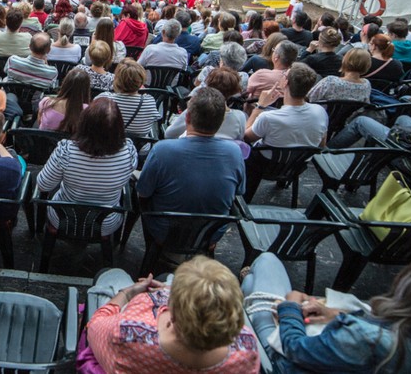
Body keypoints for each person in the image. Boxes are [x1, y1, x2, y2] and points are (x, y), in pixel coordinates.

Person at [241, 249, 411, 373]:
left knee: (266, 262)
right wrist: (340, 316)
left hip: (284, 363)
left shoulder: (368, 340)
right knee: (251, 283)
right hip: (333, 357)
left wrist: (291, 307)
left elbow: (295, 348)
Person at [85, 257, 259, 374]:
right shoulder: (247, 349)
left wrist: (127, 294)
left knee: (113, 276)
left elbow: (95, 325)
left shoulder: (130, 334)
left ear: (173, 314)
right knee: (168, 278)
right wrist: (172, 291)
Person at [138, 88, 245, 245]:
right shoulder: (235, 152)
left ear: (187, 117)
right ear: (221, 121)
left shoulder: (162, 149)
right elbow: (239, 191)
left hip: (164, 230)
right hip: (209, 234)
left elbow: (143, 192)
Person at [36, 98, 136, 236]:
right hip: (106, 223)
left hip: (63, 217)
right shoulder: (129, 151)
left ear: (84, 122)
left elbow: (43, 185)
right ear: (119, 126)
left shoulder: (66, 150)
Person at [244, 63, 328, 147]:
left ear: (285, 83)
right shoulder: (321, 112)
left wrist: (260, 107)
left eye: (284, 74)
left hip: (265, 159)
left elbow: (245, 137)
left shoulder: (268, 117)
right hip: (303, 159)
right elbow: (321, 145)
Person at [96, 59, 161, 137]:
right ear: (141, 81)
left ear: (117, 79)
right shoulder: (149, 102)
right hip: (140, 147)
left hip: (109, 146)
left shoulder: (104, 99)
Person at [307, 48, 373, 104]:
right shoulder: (366, 85)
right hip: (352, 118)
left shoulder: (330, 81)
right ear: (367, 65)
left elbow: (309, 98)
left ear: (345, 60)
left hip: (326, 116)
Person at [37, 69, 90, 133]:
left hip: (41, 142)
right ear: (86, 89)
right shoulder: (87, 111)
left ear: (65, 83)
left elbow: (39, 123)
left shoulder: (46, 102)